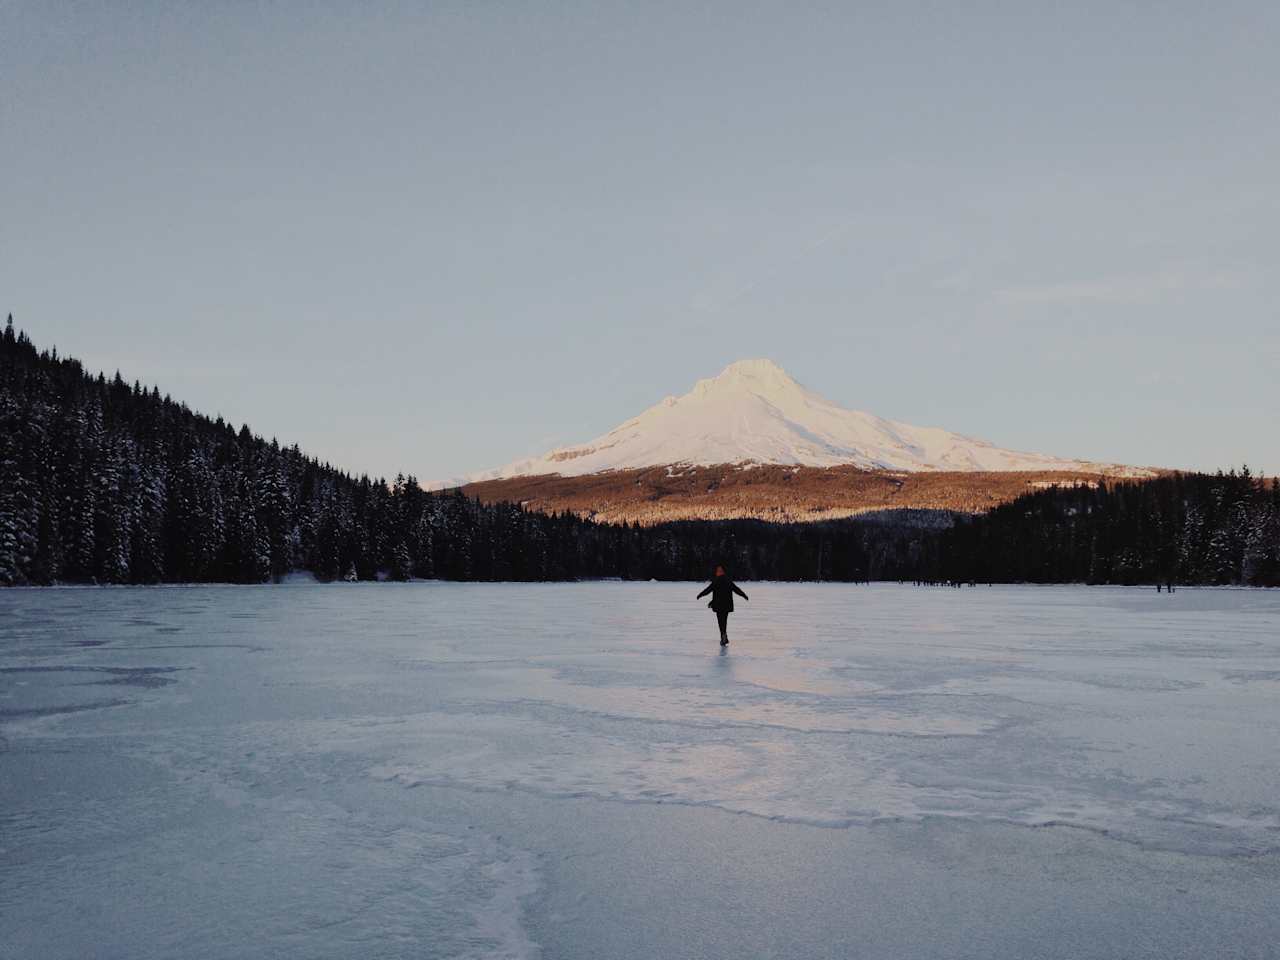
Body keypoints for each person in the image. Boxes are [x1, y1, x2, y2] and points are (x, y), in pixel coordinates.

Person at [696, 565, 749, 646]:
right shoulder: (728, 580)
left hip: (718, 605)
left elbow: (708, 590)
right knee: (724, 621)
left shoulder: (716, 581)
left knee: (721, 622)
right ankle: (724, 637)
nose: (717, 572)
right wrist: (744, 595)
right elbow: (736, 589)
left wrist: (700, 595)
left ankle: (723, 637)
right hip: (726, 605)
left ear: (721, 572)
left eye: (719, 571)